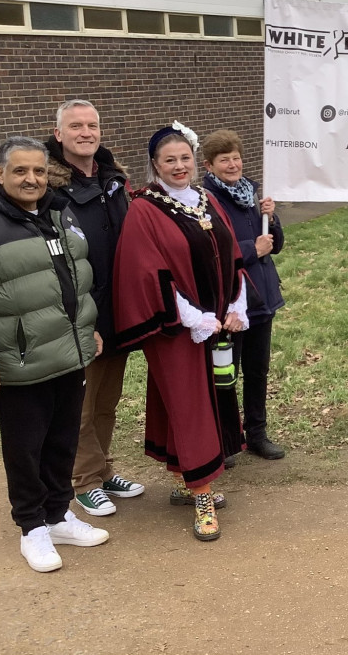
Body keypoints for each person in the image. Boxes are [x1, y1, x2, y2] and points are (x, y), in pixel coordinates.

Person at [0, 136, 110, 572]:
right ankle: (32, 528)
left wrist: (86, 331)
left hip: (68, 352)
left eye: (38, 171)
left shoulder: (59, 213)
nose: (30, 179)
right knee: (25, 448)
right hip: (18, 363)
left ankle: (57, 516)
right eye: (19, 171)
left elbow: (75, 281)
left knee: (62, 441)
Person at [113, 122, 251, 541]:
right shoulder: (144, 208)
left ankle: (183, 479)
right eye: (169, 160)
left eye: (185, 159)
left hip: (216, 322)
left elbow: (231, 253)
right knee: (189, 403)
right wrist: (192, 317)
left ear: (195, 161)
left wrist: (235, 304)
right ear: (154, 164)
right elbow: (144, 272)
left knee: (205, 399)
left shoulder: (207, 199)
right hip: (178, 326)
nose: (179, 166)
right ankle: (203, 493)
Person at [46, 99, 145, 517]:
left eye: (92, 125)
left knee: (108, 399)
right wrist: (77, 316)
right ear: (59, 135)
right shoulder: (49, 189)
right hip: (80, 312)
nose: (86, 132)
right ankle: (83, 480)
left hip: (116, 309)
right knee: (82, 404)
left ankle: (102, 469)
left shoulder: (114, 179)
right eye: (75, 126)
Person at [202, 129, 287, 461]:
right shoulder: (206, 201)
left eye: (236, 157)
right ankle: (226, 439)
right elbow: (212, 252)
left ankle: (257, 434)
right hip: (231, 304)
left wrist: (272, 218)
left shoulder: (250, 193)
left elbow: (275, 246)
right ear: (209, 165)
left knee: (257, 371)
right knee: (226, 374)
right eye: (224, 159)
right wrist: (253, 248)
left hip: (261, 298)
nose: (233, 164)